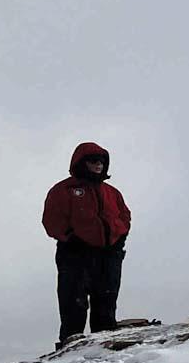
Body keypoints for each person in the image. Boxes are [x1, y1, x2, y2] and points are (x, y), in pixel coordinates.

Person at [41, 141, 131, 349]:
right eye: (93, 160)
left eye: (102, 161)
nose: (98, 164)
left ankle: (106, 347)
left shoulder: (112, 193)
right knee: (74, 302)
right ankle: (70, 349)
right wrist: (71, 238)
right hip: (75, 253)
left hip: (109, 254)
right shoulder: (64, 190)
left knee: (106, 302)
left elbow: (124, 216)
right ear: (82, 163)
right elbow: (52, 220)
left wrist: (119, 239)